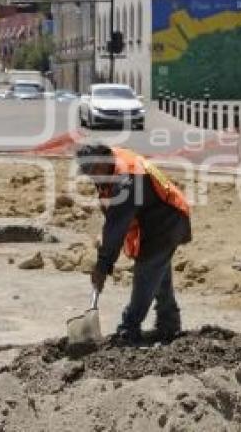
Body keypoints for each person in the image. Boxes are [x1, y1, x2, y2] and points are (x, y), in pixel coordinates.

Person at [77, 143, 192, 344]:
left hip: (168, 218)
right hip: (155, 216)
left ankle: (129, 328)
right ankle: (169, 323)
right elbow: (113, 217)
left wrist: (103, 266)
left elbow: (117, 226)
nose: (92, 176)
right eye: (88, 172)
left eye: (94, 170)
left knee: (147, 270)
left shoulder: (127, 181)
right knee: (158, 273)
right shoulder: (110, 164)